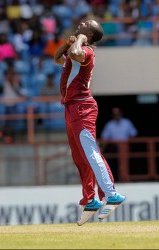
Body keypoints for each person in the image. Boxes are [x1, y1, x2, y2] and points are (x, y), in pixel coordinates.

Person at [54, 19, 125, 226]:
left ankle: (112, 195)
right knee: (80, 156)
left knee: (91, 152)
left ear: (91, 34)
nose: (83, 21)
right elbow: (58, 58)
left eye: (88, 24)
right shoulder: (76, 47)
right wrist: (68, 43)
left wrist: (81, 40)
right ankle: (90, 198)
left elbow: (77, 54)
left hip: (82, 107)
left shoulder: (87, 51)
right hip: (71, 107)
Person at [100, 107, 138, 181]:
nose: (116, 116)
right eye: (115, 114)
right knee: (113, 164)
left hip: (125, 146)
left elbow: (133, 133)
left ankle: (125, 178)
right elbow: (104, 137)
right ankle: (116, 179)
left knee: (125, 164)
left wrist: (130, 144)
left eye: (118, 114)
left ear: (121, 114)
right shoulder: (109, 124)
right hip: (114, 147)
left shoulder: (127, 122)